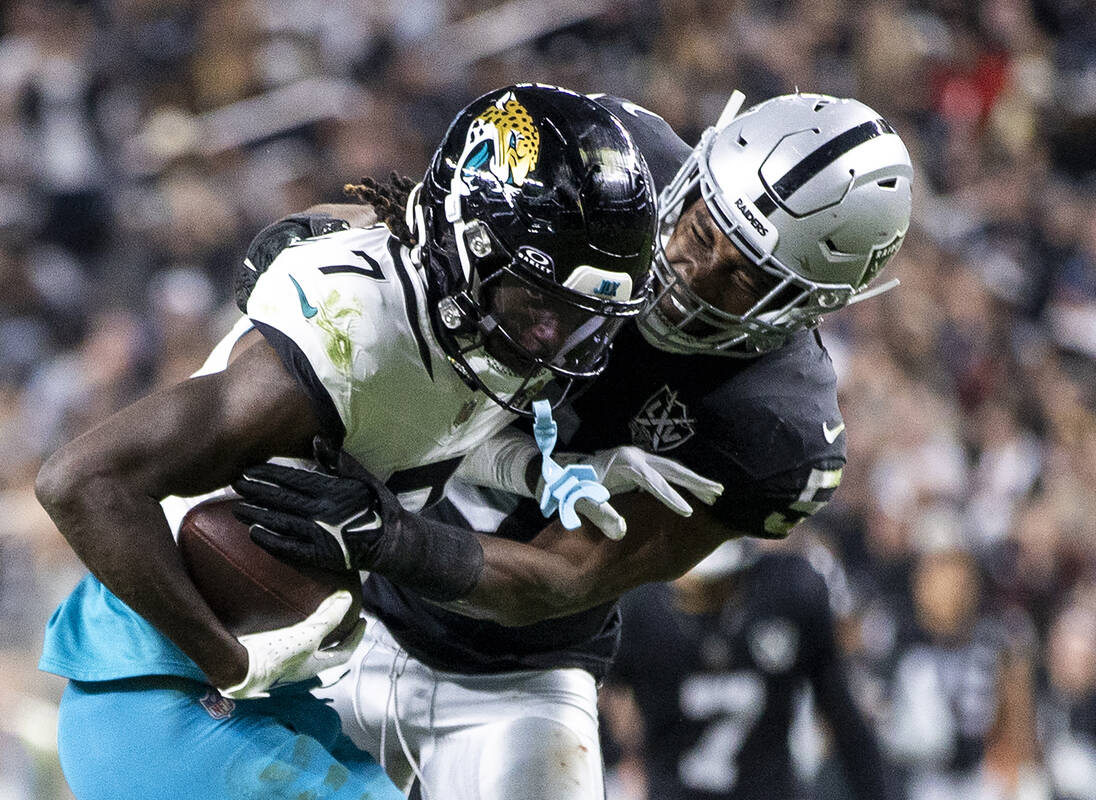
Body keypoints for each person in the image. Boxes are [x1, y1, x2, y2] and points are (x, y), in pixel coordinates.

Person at [230, 90, 915, 799]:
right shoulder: (612, 168)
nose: (692, 270)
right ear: (690, 178)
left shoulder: (775, 425)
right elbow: (428, 227)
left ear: (808, 306)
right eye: (702, 229)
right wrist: (330, 248)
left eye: (744, 278)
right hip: (356, 613)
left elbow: (561, 580)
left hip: (521, 677)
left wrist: (390, 536)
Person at [31, 83, 658, 800]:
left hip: (275, 694)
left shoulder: (468, 313)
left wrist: (532, 469)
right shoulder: (351, 341)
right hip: (162, 692)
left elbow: (408, 421)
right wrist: (227, 657)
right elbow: (80, 480)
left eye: (583, 319)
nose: (554, 338)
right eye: (539, 304)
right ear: (472, 244)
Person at [604, 540, 891, 800]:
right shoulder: (640, 611)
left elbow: (841, 712)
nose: (705, 596)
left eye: (718, 585)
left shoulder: (788, 592)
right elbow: (601, 707)